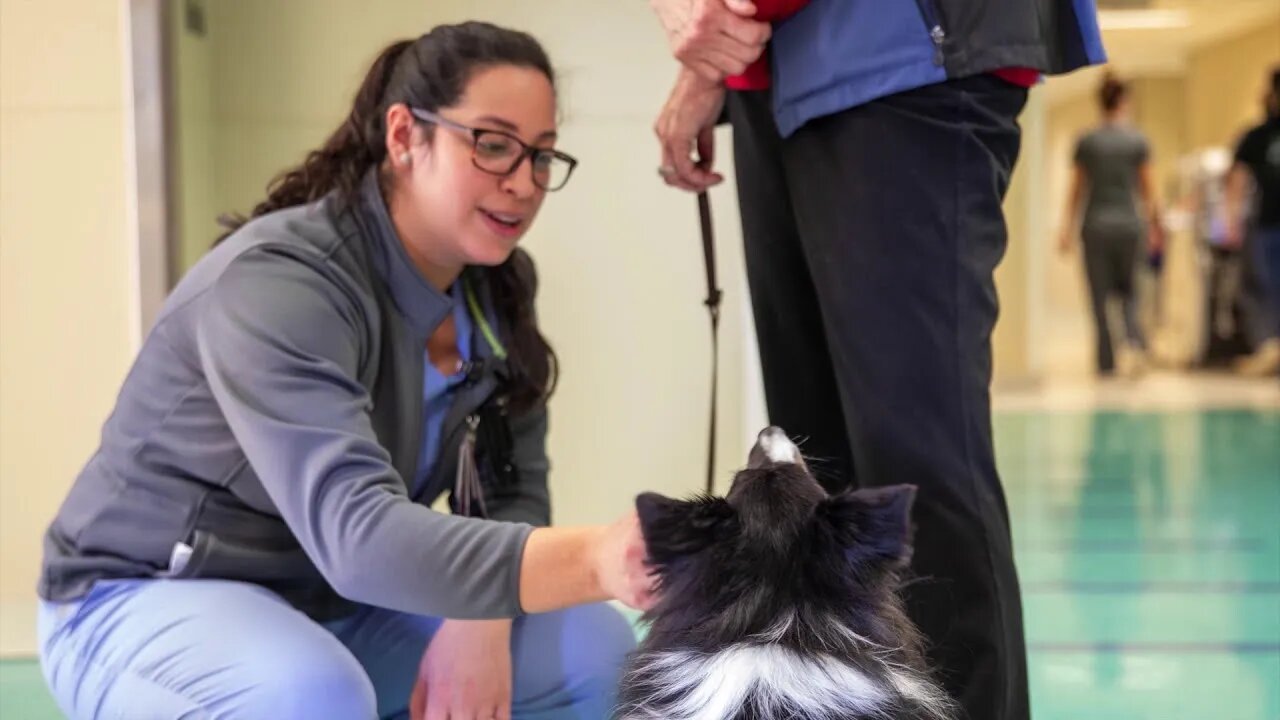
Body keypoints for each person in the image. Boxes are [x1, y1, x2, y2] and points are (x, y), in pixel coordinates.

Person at [35, 22, 653, 720]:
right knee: (313, 695)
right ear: (403, 137)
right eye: (492, 143)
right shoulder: (284, 281)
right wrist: (597, 558)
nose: (522, 182)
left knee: (599, 651)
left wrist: (479, 617)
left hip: (330, 602)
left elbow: (513, 492)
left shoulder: (495, 286)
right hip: (143, 595)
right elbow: (359, 539)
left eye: (541, 155)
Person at [646, 1, 1106, 719]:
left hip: (904, 52)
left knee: (914, 484)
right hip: (775, 78)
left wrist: (722, 21)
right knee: (817, 488)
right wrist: (717, 53)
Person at [1059, 72, 1164, 376]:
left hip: (1095, 227)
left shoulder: (1087, 141)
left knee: (1099, 296)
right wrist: (1156, 227)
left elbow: (1076, 189)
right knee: (1132, 291)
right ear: (1125, 101)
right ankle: (1133, 344)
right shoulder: (1137, 140)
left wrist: (1066, 229)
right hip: (1130, 226)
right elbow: (1148, 190)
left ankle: (1106, 361)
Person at [1225, 66, 1280, 377]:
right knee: (1262, 289)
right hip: (1265, 225)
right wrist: (1230, 220)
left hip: (1265, 226)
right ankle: (1267, 347)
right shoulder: (1257, 136)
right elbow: (1238, 180)